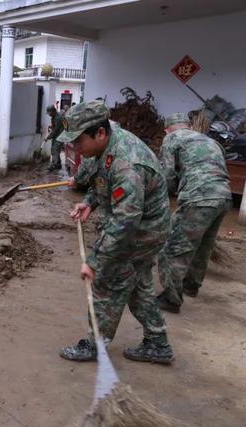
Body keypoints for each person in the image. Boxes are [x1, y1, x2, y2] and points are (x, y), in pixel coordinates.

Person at [57, 100, 174, 364]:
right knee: (138, 285)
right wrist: (89, 202)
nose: (74, 148)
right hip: (140, 223)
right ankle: (158, 343)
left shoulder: (126, 163)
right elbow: (103, 178)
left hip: (142, 229)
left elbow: (125, 221)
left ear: (99, 133)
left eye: (77, 141)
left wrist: (95, 261)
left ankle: (94, 344)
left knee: (106, 281)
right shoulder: (107, 143)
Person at [156, 113, 232, 313]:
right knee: (204, 245)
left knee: (174, 246)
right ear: (188, 126)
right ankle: (191, 285)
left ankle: (170, 298)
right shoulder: (210, 141)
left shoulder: (171, 138)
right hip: (224, 196)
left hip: (199, 196)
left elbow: (167, 176)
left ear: (167, 129)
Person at [45, 106, 64, 171]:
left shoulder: (58, 117)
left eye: (49, 113)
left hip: (60, 136)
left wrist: (49, 137)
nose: (49, 114)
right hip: (56, 136)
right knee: (55, 149)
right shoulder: (53, 117)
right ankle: (58, 164)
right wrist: (51, 126)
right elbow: (54, 127)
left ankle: (53, 165)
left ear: (53, 111)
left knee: (55, 150)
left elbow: (56, 130)